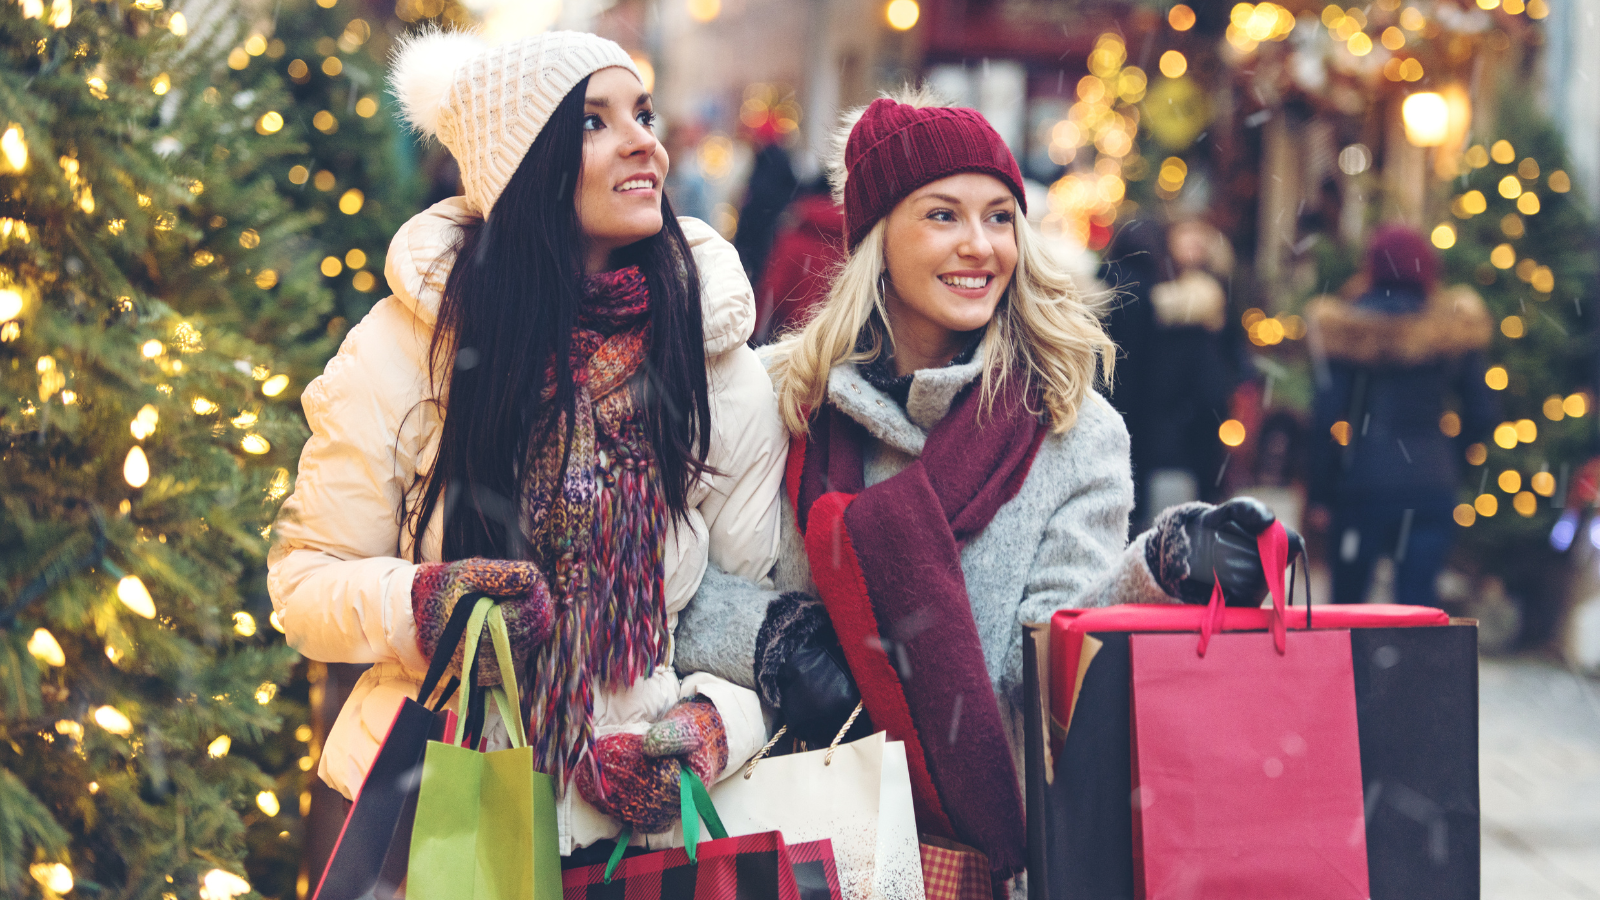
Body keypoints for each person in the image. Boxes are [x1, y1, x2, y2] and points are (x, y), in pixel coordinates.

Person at [673, 88, 1299, 896]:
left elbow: (1042, 674)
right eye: (943, 215)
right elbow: (670, 585)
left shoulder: (1072, 429)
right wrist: (772, 639)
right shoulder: (777, 396)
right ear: (876, 237)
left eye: (1000, 217)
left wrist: (1162, 570)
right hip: (789, 845)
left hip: (967, 863)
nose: (980, 245)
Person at [266, 30, 788, 859]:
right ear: (521, 165)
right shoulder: (406, 348)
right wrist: (424, 607)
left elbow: (747, 614)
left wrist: (709, 727)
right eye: (593, 122)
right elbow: (306, 583)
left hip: (631, 843)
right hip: (442, 824)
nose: (642, 142)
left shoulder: (714, 363)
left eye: (643, 114)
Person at [1308, 224, 1496, 606]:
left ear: (1371, 266)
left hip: (1362, 482)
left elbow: (1325, 417)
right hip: (1430, 482)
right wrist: (1451, 458)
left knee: (1347, 610)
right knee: (1418, 610)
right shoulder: (1452, 329)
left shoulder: (1346, 328)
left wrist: (1321, 492)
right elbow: (1483, 412)